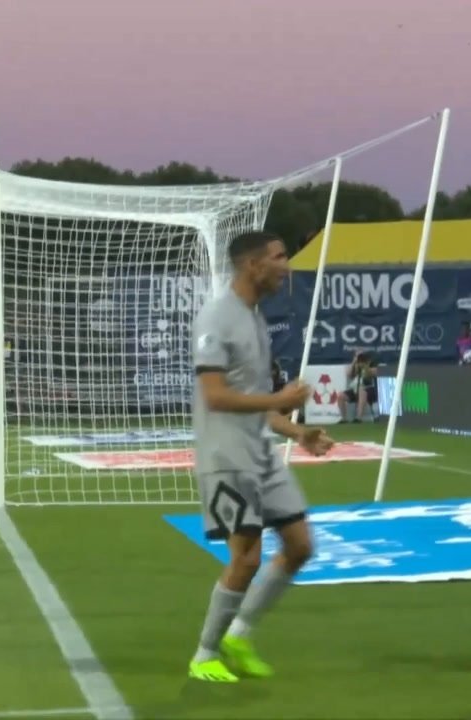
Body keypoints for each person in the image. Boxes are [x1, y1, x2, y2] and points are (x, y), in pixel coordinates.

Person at [189, 231, 335, 683]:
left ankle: (240, 634)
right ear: (253, 265)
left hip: (261, 453)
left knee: (300, 546)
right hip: (226, 456)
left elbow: (256, 402)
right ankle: (204, 655)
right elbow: (215, 397)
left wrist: (298, 430)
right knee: (247, 559)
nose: (286, 265)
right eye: (280, 257)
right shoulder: (217, 317)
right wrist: (279, 398)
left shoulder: (254, 318)